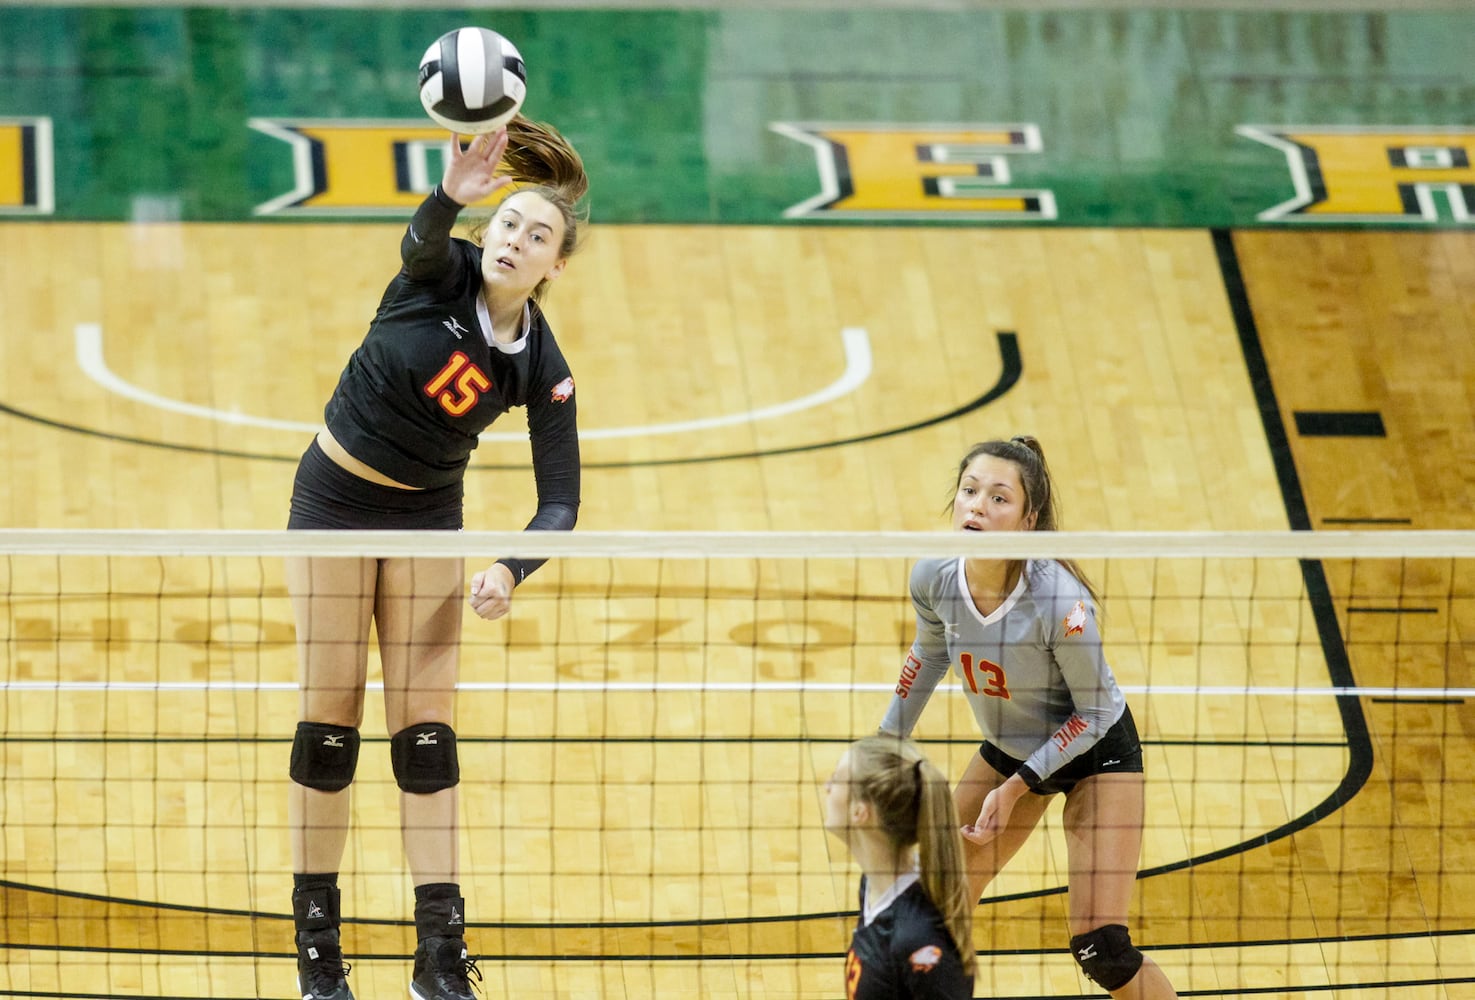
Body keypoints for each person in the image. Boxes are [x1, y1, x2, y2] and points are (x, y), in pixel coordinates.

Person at [282, 116, 588, 1000]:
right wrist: (449, 194)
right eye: (506, 224)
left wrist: (508, 567)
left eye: (537, 235)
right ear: (483, 233)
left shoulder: (541, 364)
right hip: (334, 506)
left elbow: (560, 503)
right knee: (328, 729)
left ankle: (439, 958)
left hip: (427, 525)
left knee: (424, 740)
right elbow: (419, 236)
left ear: (553, 267)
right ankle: (318, 951)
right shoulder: (439, 269)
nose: (515, 239)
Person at [878, 437, 1180, 999]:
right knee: (929, 915)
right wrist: (883, 744)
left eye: (998, 498)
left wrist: (1016, 788)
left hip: (1096, 753)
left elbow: (1092, 713)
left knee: (1102, 948)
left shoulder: (1058, 602)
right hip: (1012, 744)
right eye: (970, 492)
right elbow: (929, 653)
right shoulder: (934, 578)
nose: (977, 507)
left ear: (1028, 519)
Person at [823, 734, 976, 1000]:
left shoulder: (919, 941)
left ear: (860, 812)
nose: (827, 786)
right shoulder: (874, 886)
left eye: (836, 779)